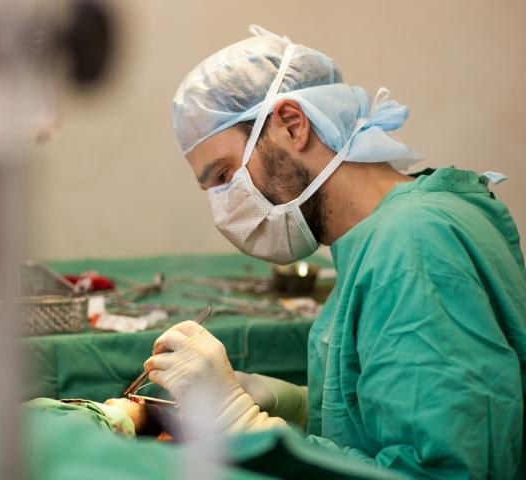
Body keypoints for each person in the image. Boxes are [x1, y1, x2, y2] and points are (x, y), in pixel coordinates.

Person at [142, 25, 526, 478]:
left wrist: (237, 421)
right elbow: (389, 413)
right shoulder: (383, 234)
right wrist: (296, 406)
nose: (224, 209)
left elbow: (443, 470)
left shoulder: (413, 245)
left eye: (225, 175)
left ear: (292, 125)